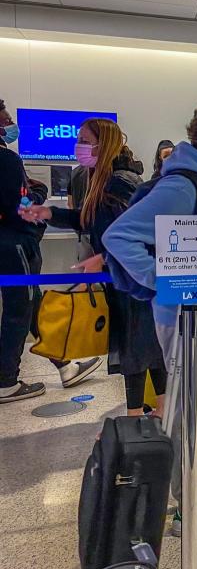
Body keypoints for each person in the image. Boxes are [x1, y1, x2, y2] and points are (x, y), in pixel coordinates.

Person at [104, 99, 197, 536]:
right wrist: (162, 280)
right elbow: (120, 235)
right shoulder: (186, 185)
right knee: (194, 412)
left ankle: (184, 493)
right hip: (188, 316)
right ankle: (189, 505)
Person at [21, 118, 165, 418]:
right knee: (142, 347)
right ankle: (154, 413)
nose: (80, 146)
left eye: (86, 141)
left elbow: (140, 231)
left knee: (137, 348)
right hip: (124, 277)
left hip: (133, 277)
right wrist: (48, 213)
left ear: (104, 143)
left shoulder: (121, 181)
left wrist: (104, 258)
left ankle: (139, 416)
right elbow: (87, 219)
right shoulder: (100, 179)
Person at [0, 100, 101, 403]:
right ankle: (5, 380)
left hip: (11, 242)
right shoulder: (7, 160)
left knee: (33, 305)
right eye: (5, 120)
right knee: (21, 308)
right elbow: (20, 206)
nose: (10, 125)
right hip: (15, 243)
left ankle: (65, 365)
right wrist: (38, 194)